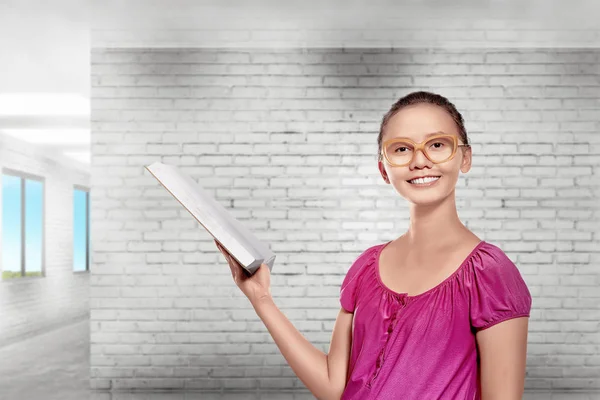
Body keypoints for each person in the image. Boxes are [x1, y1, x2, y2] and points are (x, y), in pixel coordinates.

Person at [215, 90, 532, 400]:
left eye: (437, 145)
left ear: (465, 158)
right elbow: (332, 386)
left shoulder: (490, 273)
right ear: (384, 169)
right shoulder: (367, 267)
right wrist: (261, 298)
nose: (420, 160)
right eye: (402, 149)